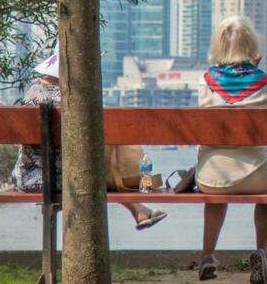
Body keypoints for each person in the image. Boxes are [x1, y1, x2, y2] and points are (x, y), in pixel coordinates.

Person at [9, 52, 167, 231]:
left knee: (94, 174)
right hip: (68, 180)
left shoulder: (30, 93)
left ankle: (139, 211)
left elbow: (18, 143)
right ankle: (139, 210)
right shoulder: (73, 101)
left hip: (27, 179)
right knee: (99, 176)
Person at [197, 16, 267, 284]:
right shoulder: (265, 83)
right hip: (258, 175)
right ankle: (262, 252)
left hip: (212, 176)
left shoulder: (205, 81)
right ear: (251, 45)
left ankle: (207, 255)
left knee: (216, 193)